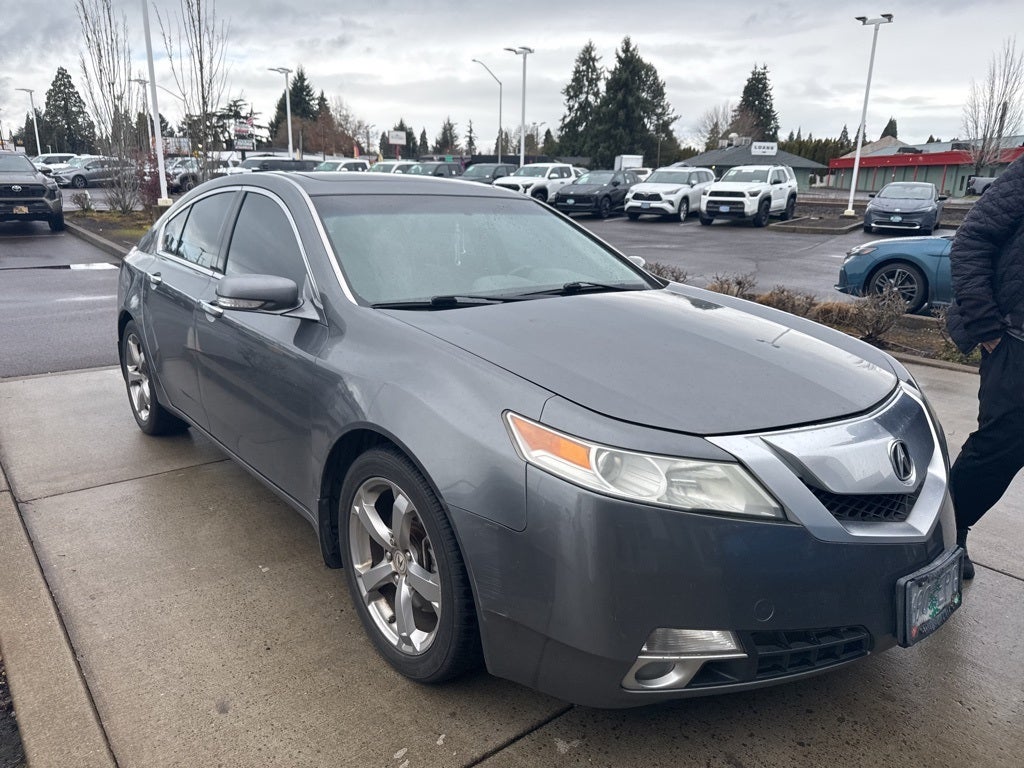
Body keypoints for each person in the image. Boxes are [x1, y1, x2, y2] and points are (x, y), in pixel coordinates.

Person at [946, 153, 1024, 580]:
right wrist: (988, 328)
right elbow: (971, 241)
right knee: (998, 450)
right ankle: (948, 531)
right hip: (1014, 343)